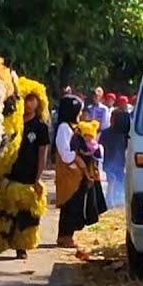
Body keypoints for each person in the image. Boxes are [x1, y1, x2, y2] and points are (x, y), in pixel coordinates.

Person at [0, 80, 51, 259]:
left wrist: (38, 176)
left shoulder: (40, 126)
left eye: (32, 100)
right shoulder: (12, 124)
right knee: (5, 212)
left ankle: (21, 247)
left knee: (26, 215)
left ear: (39, 102)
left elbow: (43, 153)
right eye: (25, 100)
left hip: (28, 176)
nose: (28, 104)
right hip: (10, 174)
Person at [52, 94, 107, 249]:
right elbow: (64, 152)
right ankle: (65, 236)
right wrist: (78, 160)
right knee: (70, 204)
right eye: (78, 111)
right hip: (69, 173)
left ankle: (67, 235)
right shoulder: (64, 128)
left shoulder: (74, 127)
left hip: (77, 174)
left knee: (77, 203)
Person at [102, 109, 130, 209]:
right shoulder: (105, 133)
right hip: (108, 162)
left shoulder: (124, 134)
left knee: (119, 182)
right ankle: (109, 201)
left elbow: (127, 148)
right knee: (111, 181)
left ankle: (118, 200)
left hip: (120, 163)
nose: (111, 120)